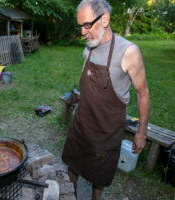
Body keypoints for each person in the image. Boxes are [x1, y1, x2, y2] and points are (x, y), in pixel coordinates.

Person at [61, 0, 150, 199]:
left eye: (87, 25)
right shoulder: (89, 47)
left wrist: (141, 133)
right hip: (81, 124)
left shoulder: (128, 52)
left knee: (98, 178)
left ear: (105, 19)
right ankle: (69, 194)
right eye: (80, 26)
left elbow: (143, 93)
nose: (82, 32)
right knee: (73, 165)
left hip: (106, 131)